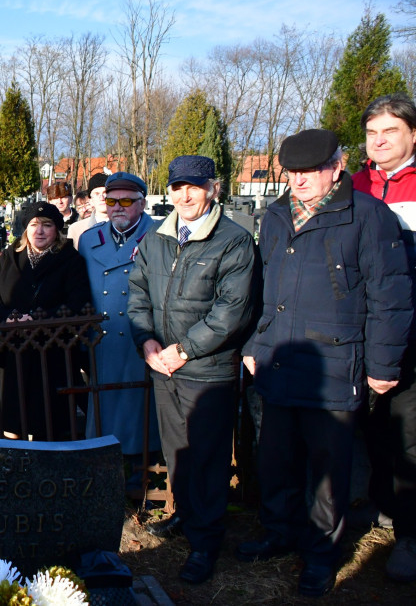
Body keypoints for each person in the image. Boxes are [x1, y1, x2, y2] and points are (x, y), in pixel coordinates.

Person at [234, 129, 411, 597]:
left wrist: (383, 365)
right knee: (276, 458)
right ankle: (279, 530)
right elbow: (265, 289)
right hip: (278, 360)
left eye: (310, 171)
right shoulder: (275, 216)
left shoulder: (367, 216)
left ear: (337, 165)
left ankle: (319, 552)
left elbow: (390, 297)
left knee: (328, 468)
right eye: (292, 172)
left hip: (335, 360)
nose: (300, 181)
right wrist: (255, 344)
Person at [126, 155, 257, 585]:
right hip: (162, 366)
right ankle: (187, 515)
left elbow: (231, 311)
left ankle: (206, 539)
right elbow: (138, 292)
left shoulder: (234, 241)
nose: (184, 195)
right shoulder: (157, 238)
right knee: (177, 450)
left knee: (208, 456)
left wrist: (182, 350)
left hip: (207, 369)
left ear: (212, 189)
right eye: (177, 186)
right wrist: (146, 340)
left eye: (194, 187)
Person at [352, 94, 416, 583]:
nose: (380, 141)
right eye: (373, 133)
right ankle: (380, 503)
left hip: (411, 328)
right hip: (361, 327)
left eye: (390, 131)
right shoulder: (356, 185)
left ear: (412, 134)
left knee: (408, 433)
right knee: (370, 426)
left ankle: (410, 532)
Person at [0, 202, 91, 441]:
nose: (39, 231)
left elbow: (78, 302)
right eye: (33, 225)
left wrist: (41, 319)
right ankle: (13, 463)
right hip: (13, 350)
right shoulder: (11, 255)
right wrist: (7, 316)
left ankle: (46, 465)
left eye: (47, 225)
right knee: (11, 419)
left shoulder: (70, 259)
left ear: (57, 230)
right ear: (25, 229)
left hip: (51, 351)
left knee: (48, 421)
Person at [78, 172, 160, 467]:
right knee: (103, 411)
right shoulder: (90, 240)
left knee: (139, 410)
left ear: (142, 203)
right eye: (112, 200)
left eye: (127, 200)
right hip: (102, 340)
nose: (118, 207)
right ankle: (103, 468)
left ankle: (141, 471)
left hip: (141, 338)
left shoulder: (159, 234)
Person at [68, 172, 110, 248]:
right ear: (90, 200)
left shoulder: (124, 225)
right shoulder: (76, 229)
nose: (102, 198)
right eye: (96, 194)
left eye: (105, 192)